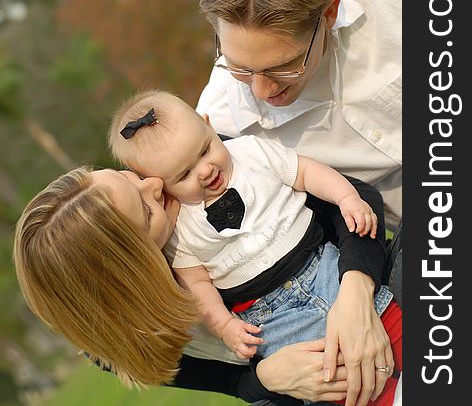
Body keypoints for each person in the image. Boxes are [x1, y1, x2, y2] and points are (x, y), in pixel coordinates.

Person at [108, 89, 401, 405]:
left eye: (205, 151)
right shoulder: (182, 231)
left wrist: (346, 198)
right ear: (164, 182)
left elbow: (305, 171)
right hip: (274, 321)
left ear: (208, 125)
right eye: (185, 175)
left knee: (393, 328)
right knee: (344, 381)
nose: (205, 171)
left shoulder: (249, 153)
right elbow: (197, 286)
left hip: (324, 267)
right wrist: (225, 327)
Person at [13, 165, 397, 406]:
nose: (155, 183)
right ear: (131, 269)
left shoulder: (199, 172)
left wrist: (356, 298)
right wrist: (269, 377)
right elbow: (232, 384)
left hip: (362, 281)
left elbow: (353, 199)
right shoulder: (117, 341)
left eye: (129, 176)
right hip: (299, 380)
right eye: (148, 212)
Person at [196, 0, 402, 231]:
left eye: (284, 67)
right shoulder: (217, 132)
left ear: (329, 14)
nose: (262, 90)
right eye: (241, 68)